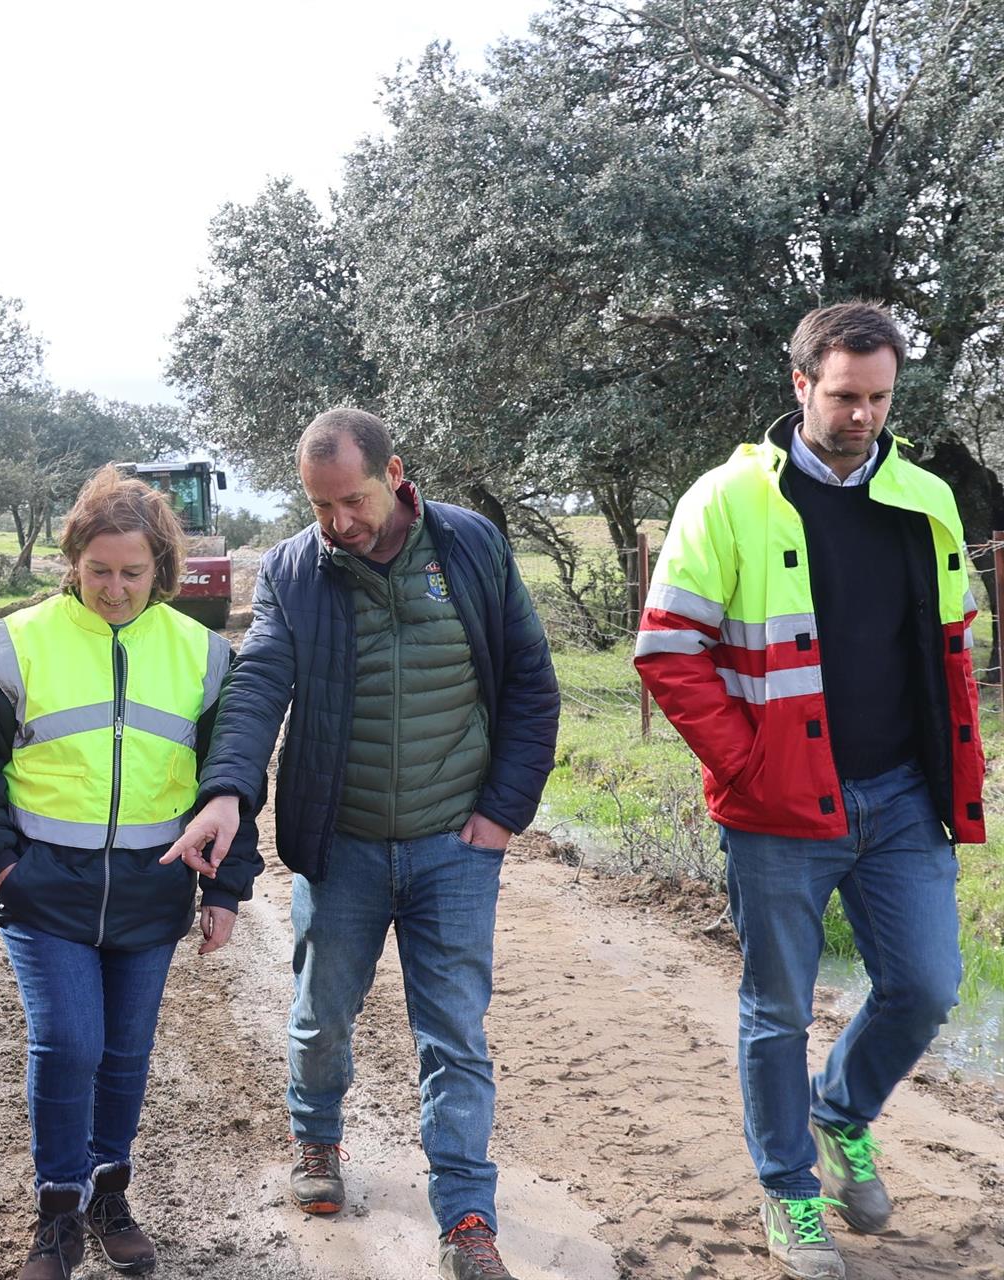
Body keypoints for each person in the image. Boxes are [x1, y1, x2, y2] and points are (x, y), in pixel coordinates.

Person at [164, 408, 558, 1280]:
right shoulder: (295, 572)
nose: (339, 522)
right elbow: (258, 683)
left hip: (455, 843)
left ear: (396, 474)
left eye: (353, 501)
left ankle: (466, 1218)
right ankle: (316, 1138)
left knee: (454, 1034)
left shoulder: (470, 547)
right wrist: (226, 790)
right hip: (340, 846)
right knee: (321, 1018)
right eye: (320, 506)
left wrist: (503, 812)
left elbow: (531, 680)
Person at [636, 301, 983, 1280]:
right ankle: (789, 1189)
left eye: (879, 397)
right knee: (778, 1009)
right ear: (800, 385)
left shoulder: (926, 497)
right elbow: (667, 648)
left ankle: (841, 1110)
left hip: (903, 795)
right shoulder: (726, 500)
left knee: (926, 986)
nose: (862, 414)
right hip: (779, 808)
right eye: (843, 396)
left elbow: (952, 643)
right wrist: (746, 765)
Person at [0, 465, 259, 1280]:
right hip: (44, 894)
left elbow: (234, 781)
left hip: (153, 891)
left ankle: (110, 1194)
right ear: (72, 561)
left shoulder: (204, 655)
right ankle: (58, 1211)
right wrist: (2, 868)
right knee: (70, 1044)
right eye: (99, 570)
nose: (114, 589)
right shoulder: (13, 645)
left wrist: (224, 887)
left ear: (161, 569)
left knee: (126, 1052)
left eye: (132, 573)